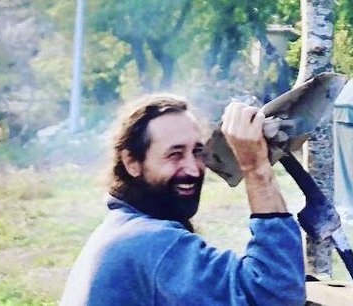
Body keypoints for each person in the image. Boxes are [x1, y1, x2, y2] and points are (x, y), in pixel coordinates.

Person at [60, 95, 306, 306]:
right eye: (175, 154)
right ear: (132, 163)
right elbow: (275, 295)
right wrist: (255, 168)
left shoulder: (119, 227)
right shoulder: (149, 241)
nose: (193, 168)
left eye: (197, 152)